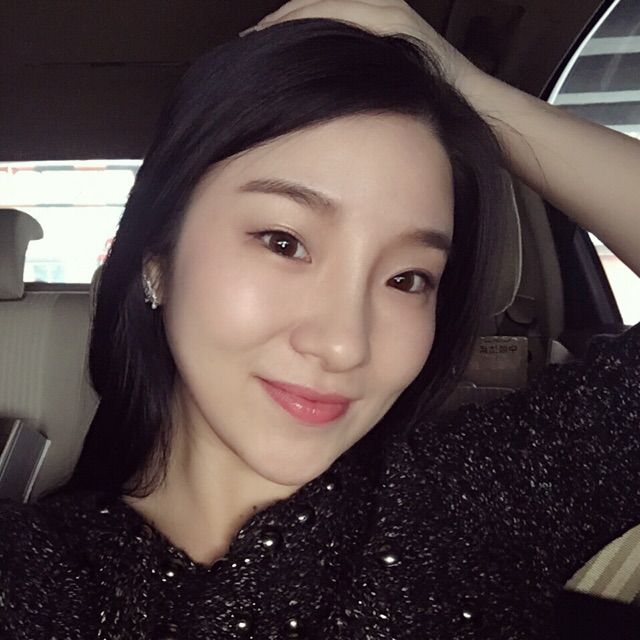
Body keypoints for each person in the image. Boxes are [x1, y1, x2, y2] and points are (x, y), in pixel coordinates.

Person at [1, 1, 639, 638]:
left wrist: (466, 85)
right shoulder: (33, 575)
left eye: (407, 279)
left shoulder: (477, 504)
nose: (343, 344)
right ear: (157, 261)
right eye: (284, 242)